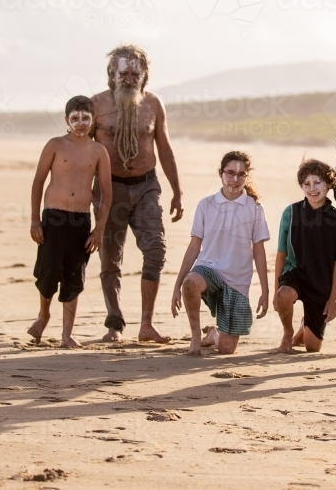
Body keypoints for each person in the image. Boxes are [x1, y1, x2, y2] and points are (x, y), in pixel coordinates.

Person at [91, 44, 184, 344]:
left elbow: (165, 149)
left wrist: (177, 191)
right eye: (124, 72)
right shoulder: (95, 105)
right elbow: (81, 151)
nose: (129, 78)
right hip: (109, 189)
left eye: (135, 72)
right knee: (109, 257)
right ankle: (114, 323)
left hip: (146, 186)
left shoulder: (153, 104)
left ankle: (147, 324)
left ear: (144, 75)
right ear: (112, 74)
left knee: (155, 250)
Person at [28, 96, 112, 347]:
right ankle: (43, 316)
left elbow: (106, 193)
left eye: (85, 118)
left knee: (74, 276)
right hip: (54, 216)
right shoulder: (55, 145)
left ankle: (67, 334)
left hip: (80, 221)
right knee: (48, 272)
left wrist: (99, 229)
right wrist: (35, 219)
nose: (80, 123)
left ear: (93, 119)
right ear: (67, 120)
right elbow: (38, 182)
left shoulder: (98, 151)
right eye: (74, 118)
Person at [170, 151, 270, 355]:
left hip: (237, 280)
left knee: (226, 349)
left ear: (246, 176)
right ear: (221, 173)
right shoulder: (206, 205)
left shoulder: (255, 208)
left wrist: (265, 291)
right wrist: (177, 284)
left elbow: (259, 251)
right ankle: (196, 336)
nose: (235, 179)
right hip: (209, 270)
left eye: (241, 174)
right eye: (230, 173)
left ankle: (213, 334)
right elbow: (194, 247)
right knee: (190, 284)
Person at [273, 159, 336, 353]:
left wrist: (332, 299)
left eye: (317, 183)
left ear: (329, 184)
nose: (312, 188)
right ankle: (288, 334)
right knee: (284, 295)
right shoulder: (291, 213)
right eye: (307, 184)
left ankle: (304, 327)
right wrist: (276, 291)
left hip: (321, 284)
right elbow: (281, 254)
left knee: (312, 348)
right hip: (295, 274)